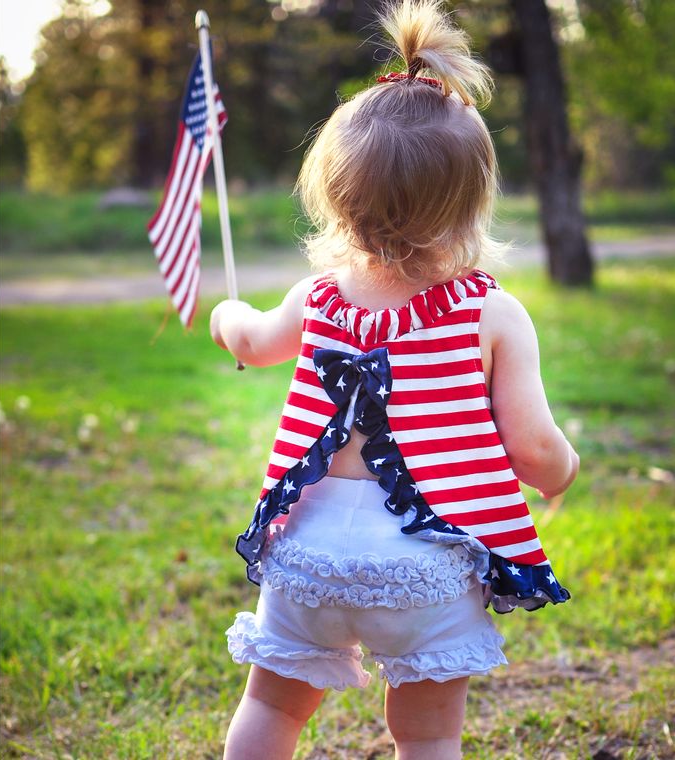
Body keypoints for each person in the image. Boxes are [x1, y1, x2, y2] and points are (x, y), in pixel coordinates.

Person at [209, 1, 579, 757]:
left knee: (274, 710)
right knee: (427, 734)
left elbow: (250, 338)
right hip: (423, 561)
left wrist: (225, 316)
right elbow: (535, 451)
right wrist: (562, 470)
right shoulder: (492, 316)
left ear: (336, 195)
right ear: (473, 199)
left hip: (308, 554)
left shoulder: (316, 300)